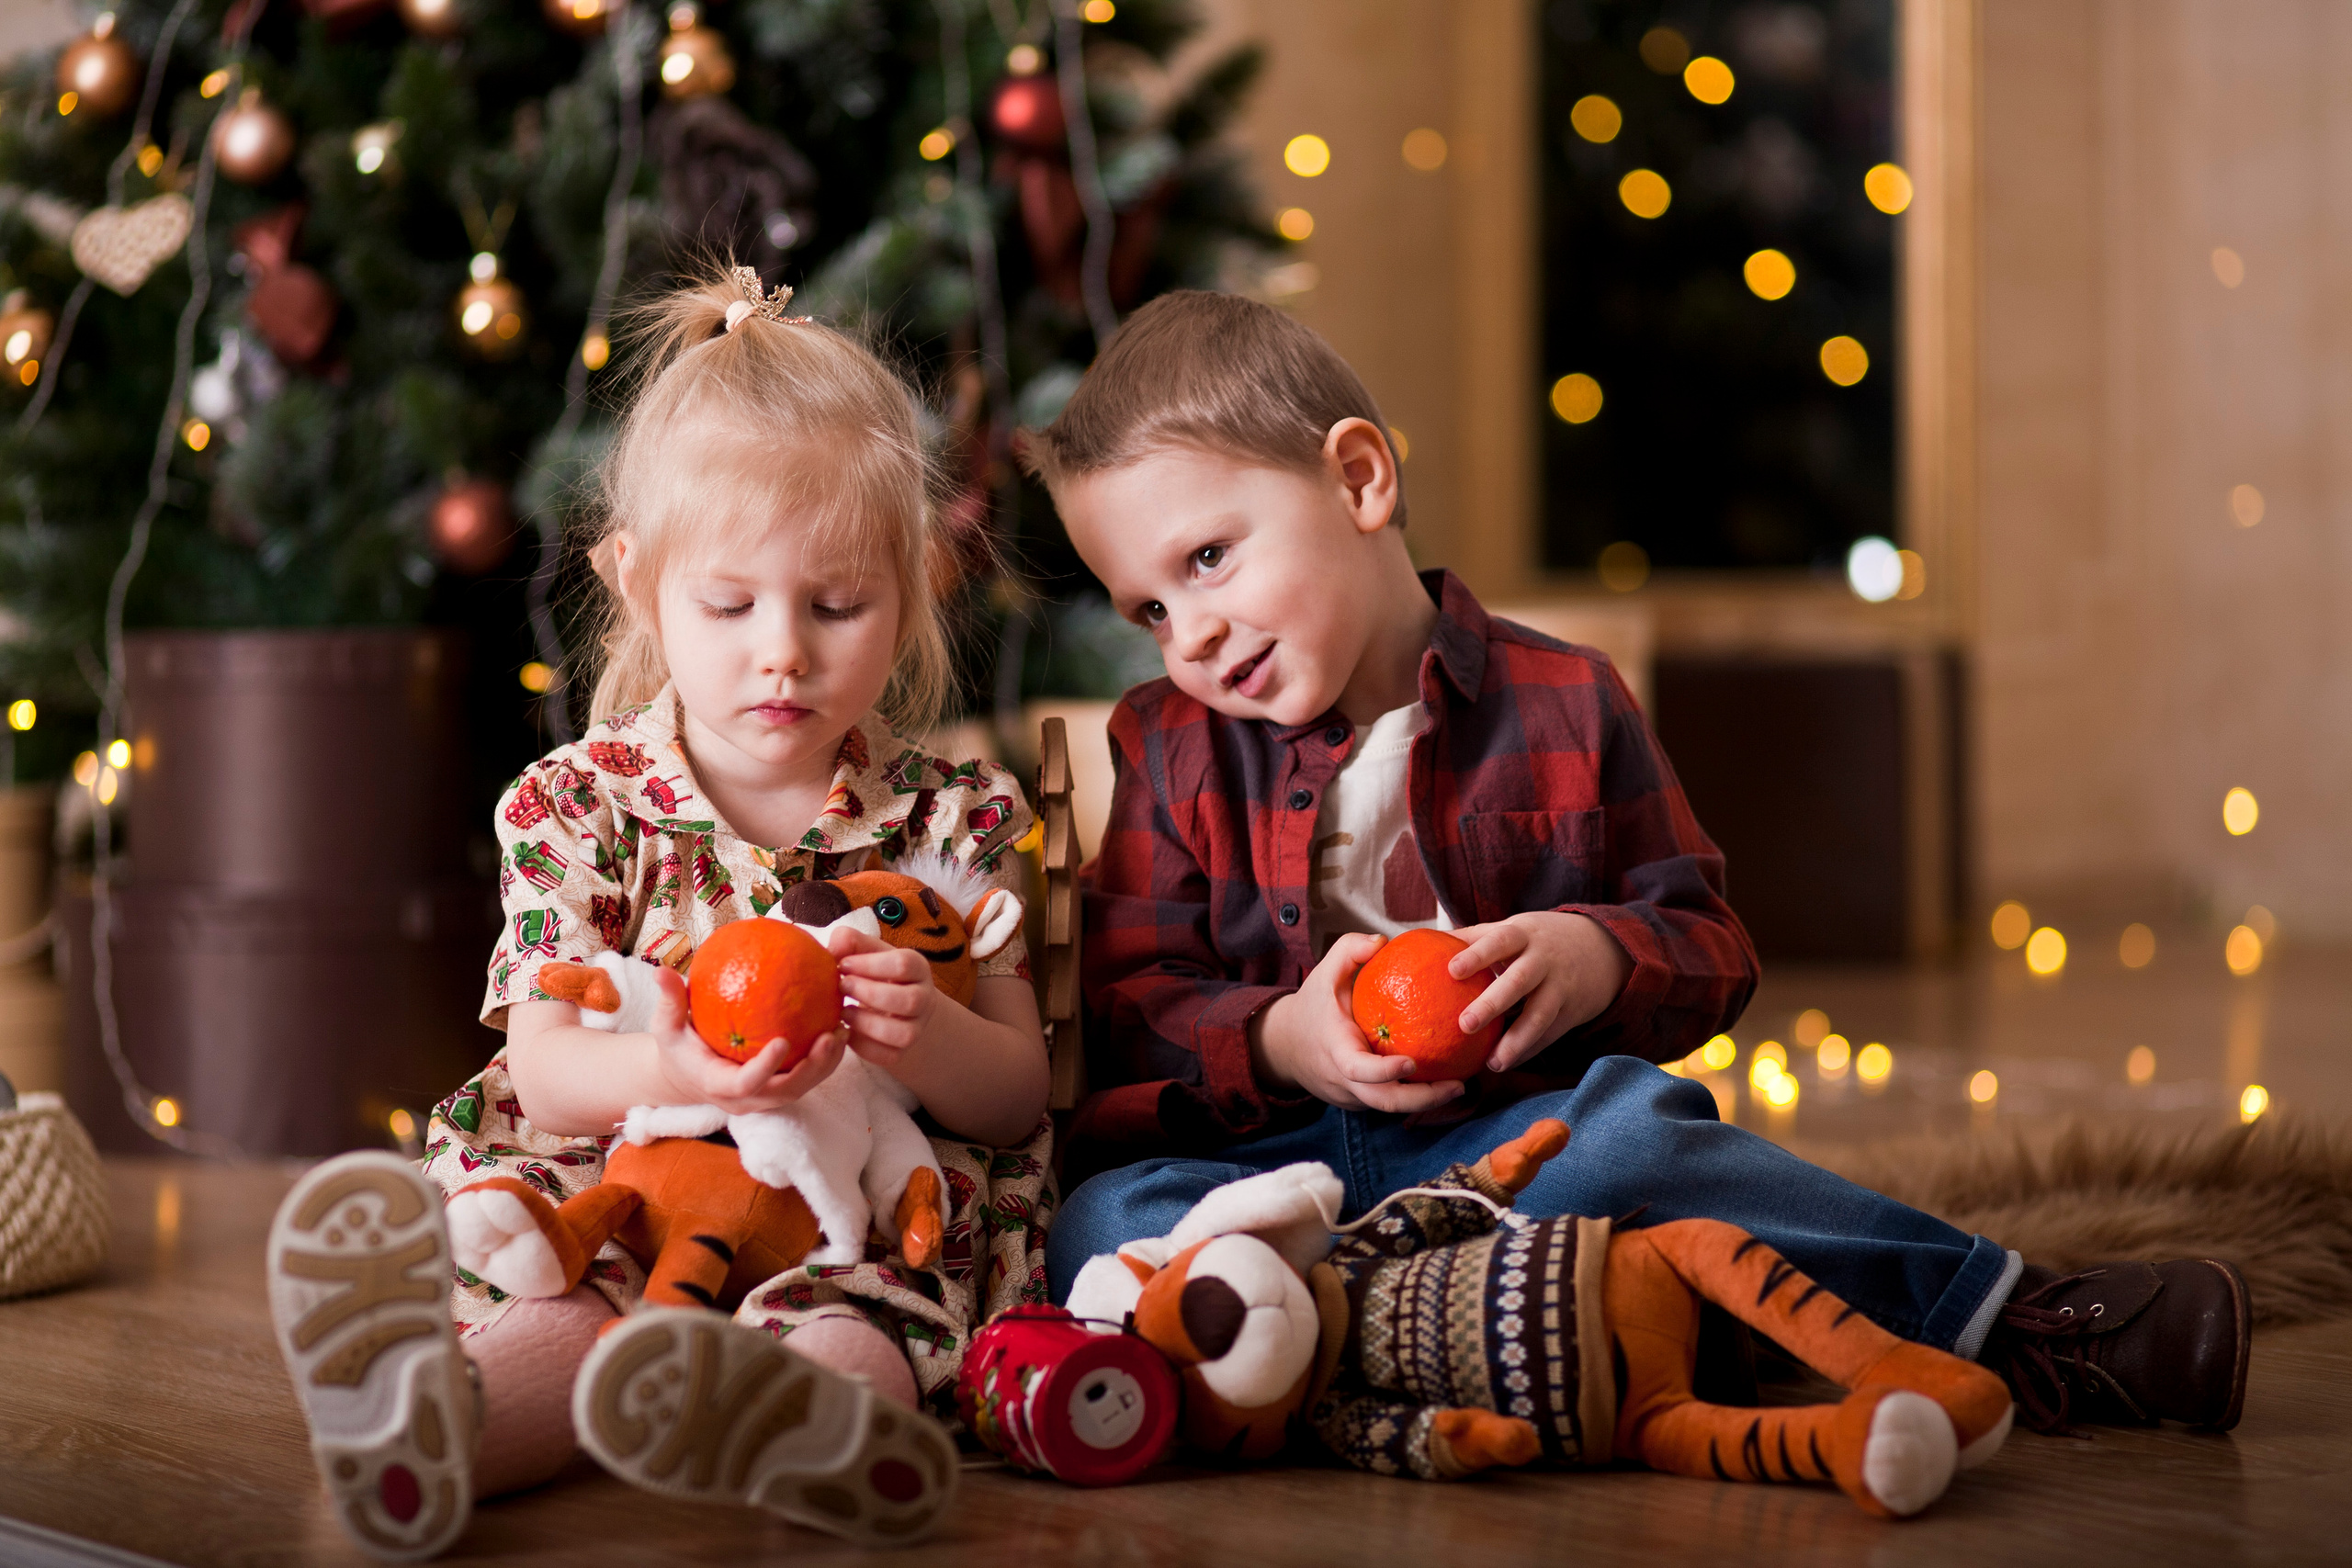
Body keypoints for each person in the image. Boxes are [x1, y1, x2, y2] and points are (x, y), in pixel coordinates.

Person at [1024, 289, 2249, 1449]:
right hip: (1264, 1168)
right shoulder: (1169, 745)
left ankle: (2012, 1322)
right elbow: (1134, 1009)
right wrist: (1284, 1037)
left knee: (1637, 1140)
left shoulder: (1565, 701)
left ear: (1358, 479)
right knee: (1099, 1218)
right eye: (1145, 610)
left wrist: (1599, 953)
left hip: (1512, 1154)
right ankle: (1523, 1316)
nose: (1187, 636)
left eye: (1205, 563)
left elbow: (1709, 948)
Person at [264, 265, 1051, 1559]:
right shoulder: (577, 806)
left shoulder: (957, 822)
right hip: (630, 1175)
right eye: (731, 606)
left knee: (860, 1317)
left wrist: (930, 1038)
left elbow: (1016, 1098)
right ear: (636, 579)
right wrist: (665, 1066)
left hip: (850, 1199)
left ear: (912, 586)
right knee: (570, 1303)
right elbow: (545, 1063)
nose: (782, 651)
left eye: (837, 605)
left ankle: (811, 1442)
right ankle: (421, 1436)